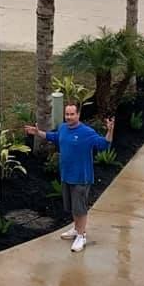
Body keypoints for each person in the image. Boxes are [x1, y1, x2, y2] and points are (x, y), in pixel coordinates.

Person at [25, 103, 115, 254]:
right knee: (73, 206)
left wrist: (110, 130)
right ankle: (76, 228)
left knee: (80, 208)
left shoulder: (86, 132)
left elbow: (104, 145)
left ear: (78, 115)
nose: (69, 117)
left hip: (81, 177)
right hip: (66, 175)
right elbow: (54, 137)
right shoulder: (63, 128)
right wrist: (37, 132)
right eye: (67, 114)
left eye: (72, 114)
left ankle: (81, 235)